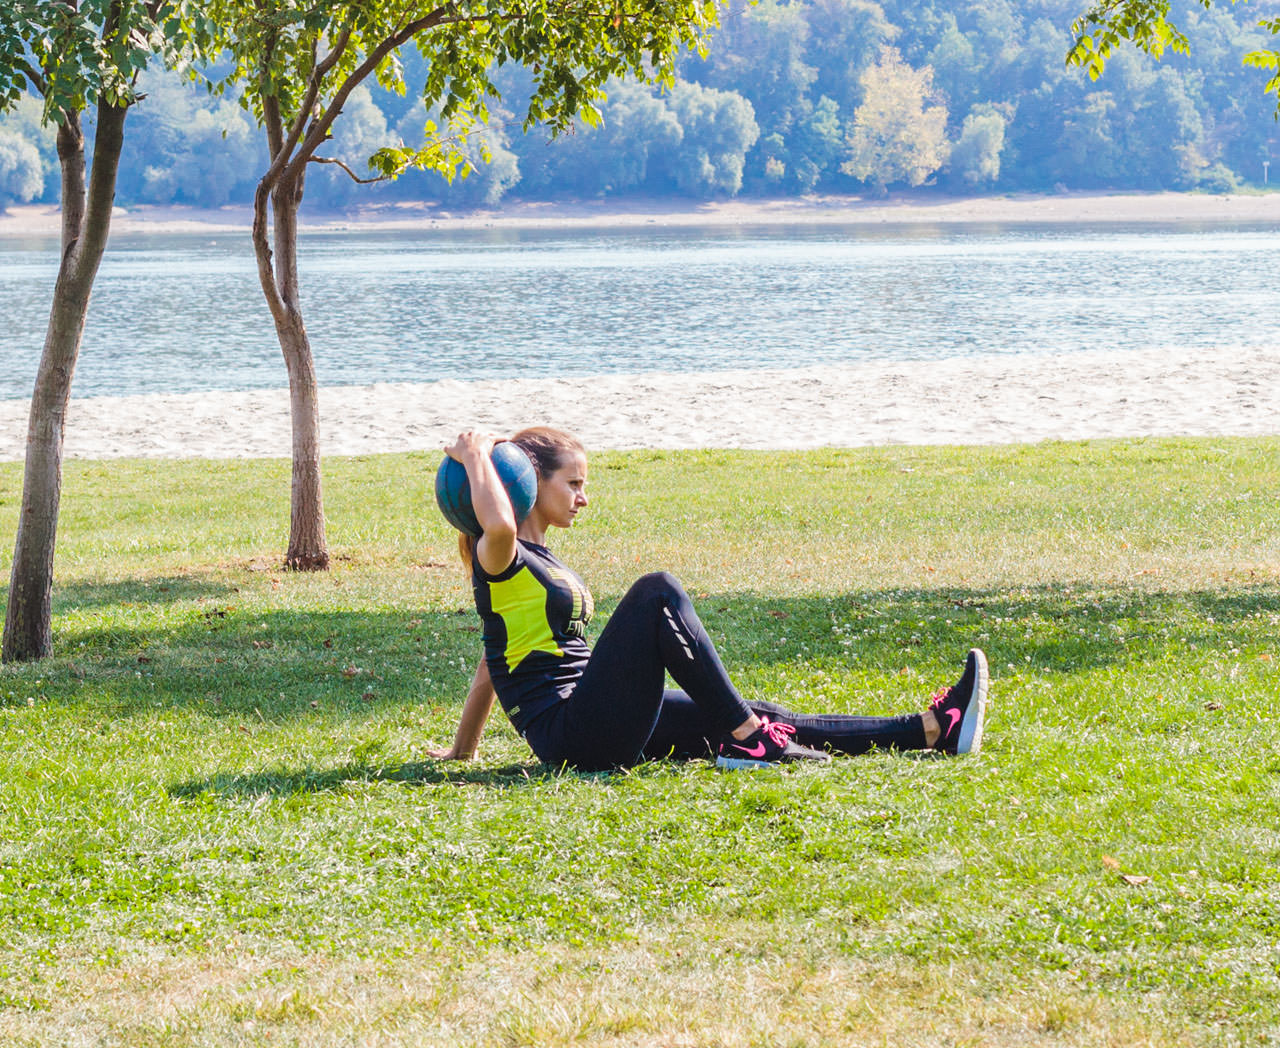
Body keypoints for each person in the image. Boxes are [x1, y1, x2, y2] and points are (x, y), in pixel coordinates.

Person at [429, 427, 988, 772]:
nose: (583, 497)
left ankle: (931, 730)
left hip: (592, 719)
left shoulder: (536, 561)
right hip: (575, 732)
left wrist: (463, 750)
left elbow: (491, 662)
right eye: (572, 484)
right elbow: (496, 522)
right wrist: (477, 454)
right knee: (657, 591)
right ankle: (749, 744)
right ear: (528, 485)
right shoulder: (496, 556)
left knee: (758, 716)